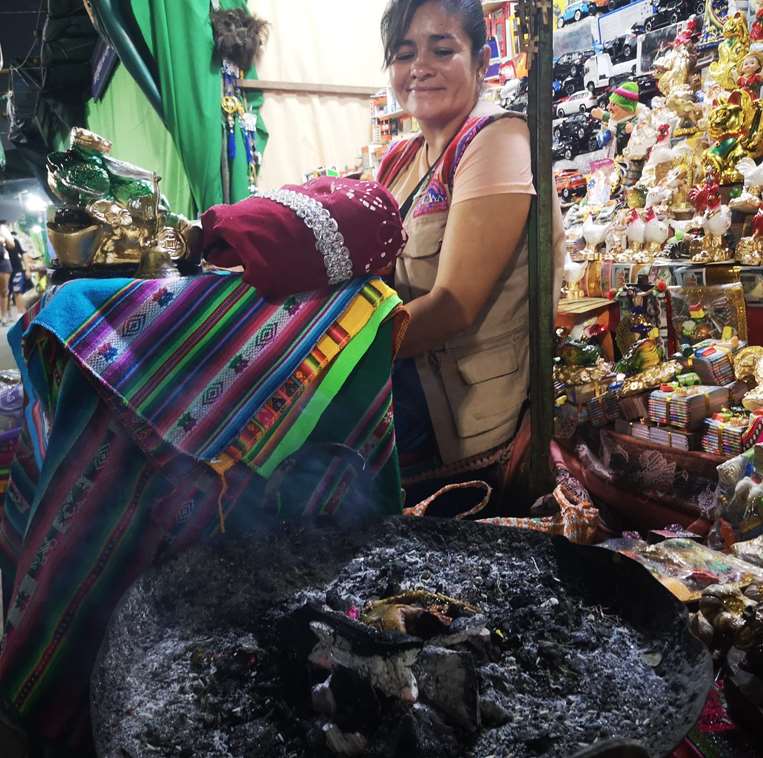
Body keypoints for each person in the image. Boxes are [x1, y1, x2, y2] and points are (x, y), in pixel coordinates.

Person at [376, 0, 564, 507]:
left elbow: (453, 305)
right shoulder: (401, 160)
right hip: (407, 410)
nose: (420, 67)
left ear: (481, 62)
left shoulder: (496, 139)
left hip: (470, 426)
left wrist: (337, 351)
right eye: (404, 52)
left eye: (443, 50)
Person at [0, 221, 14, 325]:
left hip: (3, 262)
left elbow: (11, 245)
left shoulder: (2, 228)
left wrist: (3, 237)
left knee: (4, 291)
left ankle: (4, 317)